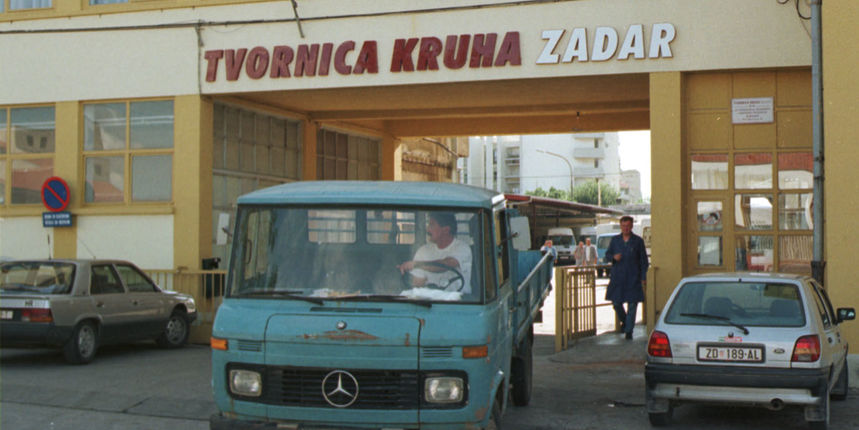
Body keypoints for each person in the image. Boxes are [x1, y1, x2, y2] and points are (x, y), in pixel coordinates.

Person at [398, 212, 473, 294]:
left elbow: (446, 264)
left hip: (459, 300)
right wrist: (403, 276)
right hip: (429, 300)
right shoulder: (423, 251)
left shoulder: (462, 248)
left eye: (431, 225)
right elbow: (418, 283)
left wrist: (416, 264)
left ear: (446, 230)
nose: (427, 229)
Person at [604, 215, 649, 339]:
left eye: (628, 226)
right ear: (620, 226)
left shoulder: (638, 241)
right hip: (618, 278)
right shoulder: (615, 240)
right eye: (623, 226)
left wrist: (643, 277)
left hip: (633, 278)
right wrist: (613, 258)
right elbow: (607, 255)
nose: (626, 228)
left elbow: (644, 261)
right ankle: (625, 321)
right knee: (616, 303)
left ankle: (629, 331)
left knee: (632, 305)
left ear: (632, 226)